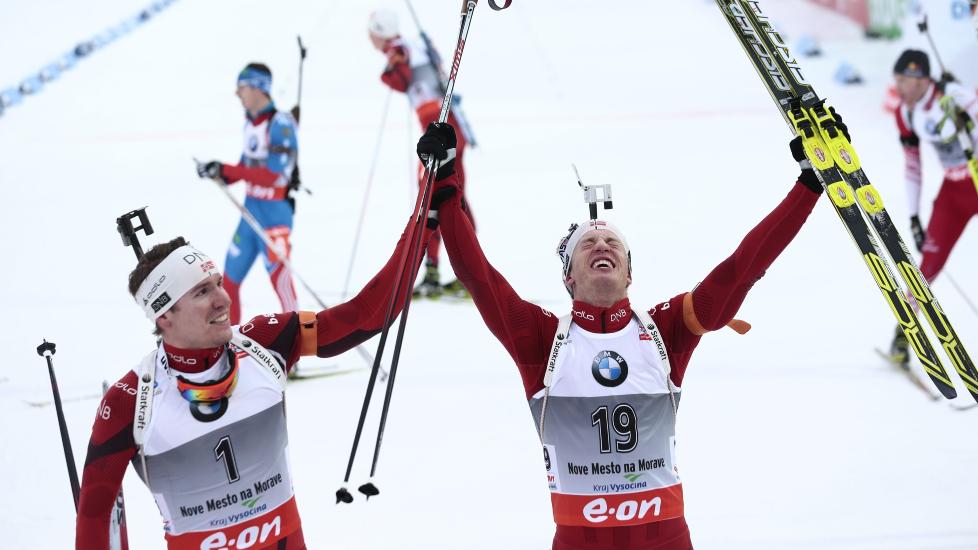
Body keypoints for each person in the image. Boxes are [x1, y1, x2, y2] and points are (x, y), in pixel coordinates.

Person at [416, 122, 825, 549]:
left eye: (613, 242)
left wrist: (808, 185)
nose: (602, 246)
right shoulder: (539, 339)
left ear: (629, 273)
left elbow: (741, 268)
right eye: (587, 244)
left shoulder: (666, 329)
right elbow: (480, 278)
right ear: (569, 277)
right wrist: (445, 179)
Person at [74, 185, 434, 548]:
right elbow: (94, 515)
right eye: (202, 292)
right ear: (164, 315)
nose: (223, 299)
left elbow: (367, 315)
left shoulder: (264, 343)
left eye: (217, 283)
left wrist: (426, 214)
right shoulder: (130, 402)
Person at [368, 9, 476, 299]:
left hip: (441, 132)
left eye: (372, 33)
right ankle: (437, 269)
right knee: (441, 197)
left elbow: (399, 78)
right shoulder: (413, 45)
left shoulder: (399, 48)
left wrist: (388, 73)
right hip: (445, 130)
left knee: (442, 198)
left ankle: (464, 274)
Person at [888, 49, 978, 367]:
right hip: (955, 191)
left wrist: (967, 116)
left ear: (924, 79)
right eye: (897, 79)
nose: (900, 87)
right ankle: (905, 331)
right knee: (928, 264)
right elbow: (913, 165)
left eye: (906, 80)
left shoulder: (955, 96)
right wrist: (914, 216)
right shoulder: (907, 113)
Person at [196, 63, 300, 325]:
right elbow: (245, 168)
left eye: (241, 87)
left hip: (275, 215)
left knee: (281, 282)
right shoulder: (251, 124)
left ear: (258, 88)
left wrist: (229, 170)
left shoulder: (281, 124)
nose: (237, 94)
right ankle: (233, 345)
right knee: (229, 280)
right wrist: (218, 172)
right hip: (251, 211)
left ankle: (298, 346)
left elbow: (272, 173)